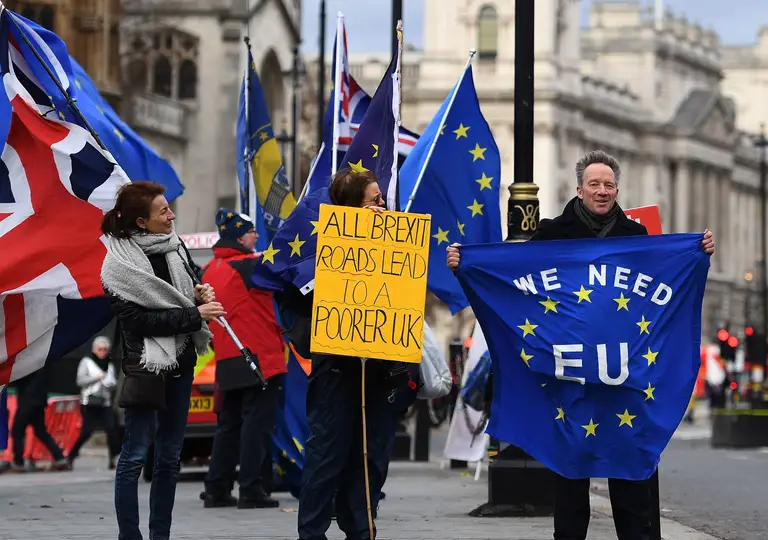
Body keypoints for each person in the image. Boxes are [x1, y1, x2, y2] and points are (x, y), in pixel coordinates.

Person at [445, 150, 715, 540]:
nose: (602, 191)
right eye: (594, 184)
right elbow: (514, 275)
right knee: (570, 475)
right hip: (569, 376)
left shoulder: (637, 237)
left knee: (630, 470)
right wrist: (466, 264)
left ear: (617, 190)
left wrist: (697, 251)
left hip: (622, 378)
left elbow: (666, 277)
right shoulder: (552, 233)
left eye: (609, 185)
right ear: (580, 189)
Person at [277, 169, 417, 540]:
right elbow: (297, 295)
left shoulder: (396, 242)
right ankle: (312, 531)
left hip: (381, 368)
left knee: (370, 456)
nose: (383, 205)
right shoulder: (321, 246)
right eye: (374, 200)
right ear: (352, 207)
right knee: (328, 453)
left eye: (382, 199)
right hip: (337, 368)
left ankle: (360, 527)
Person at [100, 181, 225, 540]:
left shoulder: (175, 246)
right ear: (141, 222)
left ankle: (161, 535)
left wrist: (198, 291)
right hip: (146, 367)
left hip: (182, 362)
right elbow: (139, 321)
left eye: (169, 208)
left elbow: (186, 289)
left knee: (170, 457)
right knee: (135, 455)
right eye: (163, 211)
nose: (171, 215)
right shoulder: (117, 265)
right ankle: (130, 535)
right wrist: (194, 314)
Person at [200, 209, 287, 509]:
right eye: (251, 232)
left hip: (228, 355)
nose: (257, 236)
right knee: (256, 425)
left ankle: (216, 488)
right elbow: (287, 263)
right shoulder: (249, 265)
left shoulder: (208, 269)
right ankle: (251, 488)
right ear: (239, 238)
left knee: (229, 425)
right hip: (259, 356)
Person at [0, 364, 69, 473]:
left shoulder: (28, 363)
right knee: (40, 431)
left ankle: (18, 463)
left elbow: (18, 378)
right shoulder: (41, 361)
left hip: (28, 400)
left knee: (17, 431)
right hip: (38, 399)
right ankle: (59, 458)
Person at [67, 336, 121, 469]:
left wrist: (110, 383)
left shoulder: (109, 364)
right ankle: (71, 455)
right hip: (89, 402)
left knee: (111, 429)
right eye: (100, 349)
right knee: (87, 431)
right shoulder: (87, 362)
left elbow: (113, 382)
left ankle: (113, 458)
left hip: (104, 402)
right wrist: (97, 378)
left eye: (105, 349)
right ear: (94, 349)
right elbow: (80, 381)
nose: (102, 352)